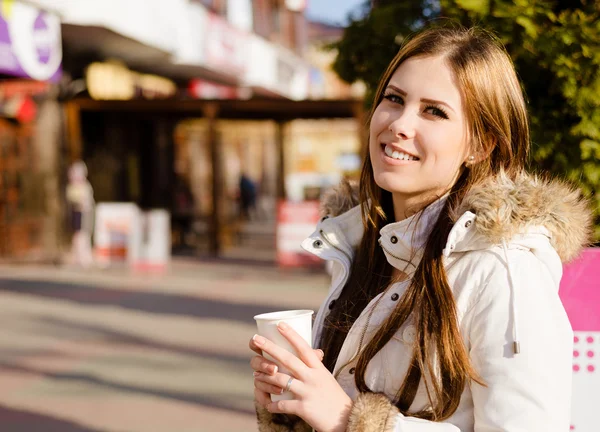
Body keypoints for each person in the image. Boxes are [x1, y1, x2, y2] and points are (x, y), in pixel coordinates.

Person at [249, 25, 592, 432]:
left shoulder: (504, 267)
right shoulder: (360, 244)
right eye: (394, 99)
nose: (399, 124)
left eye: (434, 111)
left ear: (480, 144)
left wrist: (349, 422)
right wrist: (295, 406)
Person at [66, 160, 95, 267]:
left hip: (85, 213)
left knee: (84, 236)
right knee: (78, 236)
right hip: (77, 213)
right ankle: (77, 256)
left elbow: (87, 200)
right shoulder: (72, 187)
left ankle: (85, 257)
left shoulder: (85, 186)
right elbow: (72, 198)